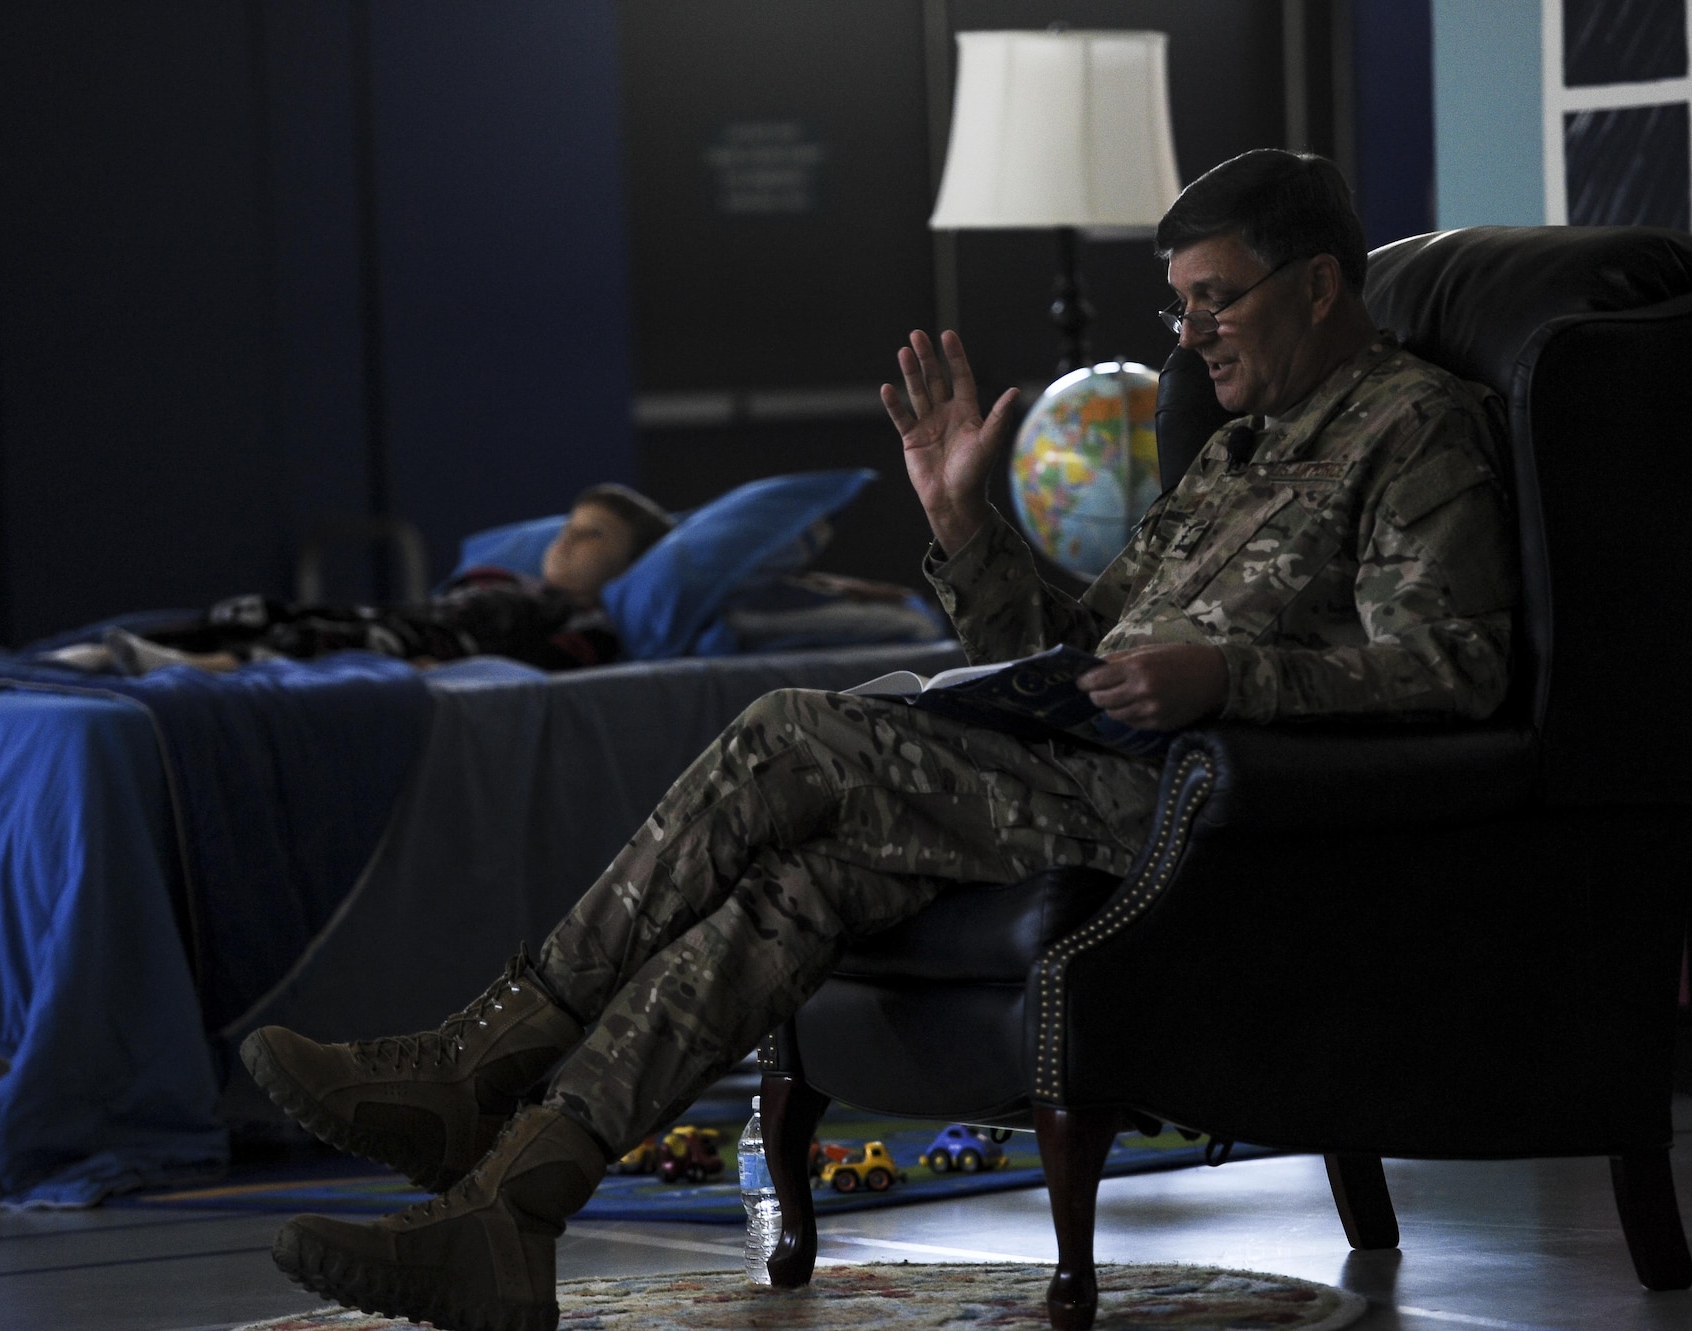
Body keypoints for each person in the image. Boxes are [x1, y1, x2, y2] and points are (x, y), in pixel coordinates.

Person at [237, 150, 1518, 1331]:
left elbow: (1453, 670)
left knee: (784, 732)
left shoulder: (1415, 427)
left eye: (1215, 301)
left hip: (1210, 812)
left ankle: (475, 1062)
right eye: (1176, 305)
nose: (1188, 336)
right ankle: (506, 1219)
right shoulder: (1234, 448)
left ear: (1317, 286)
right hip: (1085, 771)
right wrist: (964, 524)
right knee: (795, 890)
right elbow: (1075, 643)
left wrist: (1224, 675)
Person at [95, 484, 673, 674]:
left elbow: (538, 669)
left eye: (593, 536)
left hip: (438, 649)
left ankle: (189, 666)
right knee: (260, 611)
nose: (566, 541)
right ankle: (112, 653)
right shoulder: (506, 579)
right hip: (407, 618)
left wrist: (444, 670)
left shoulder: (586, 621)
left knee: (315, 644)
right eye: (568, 527)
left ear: (628, 567)